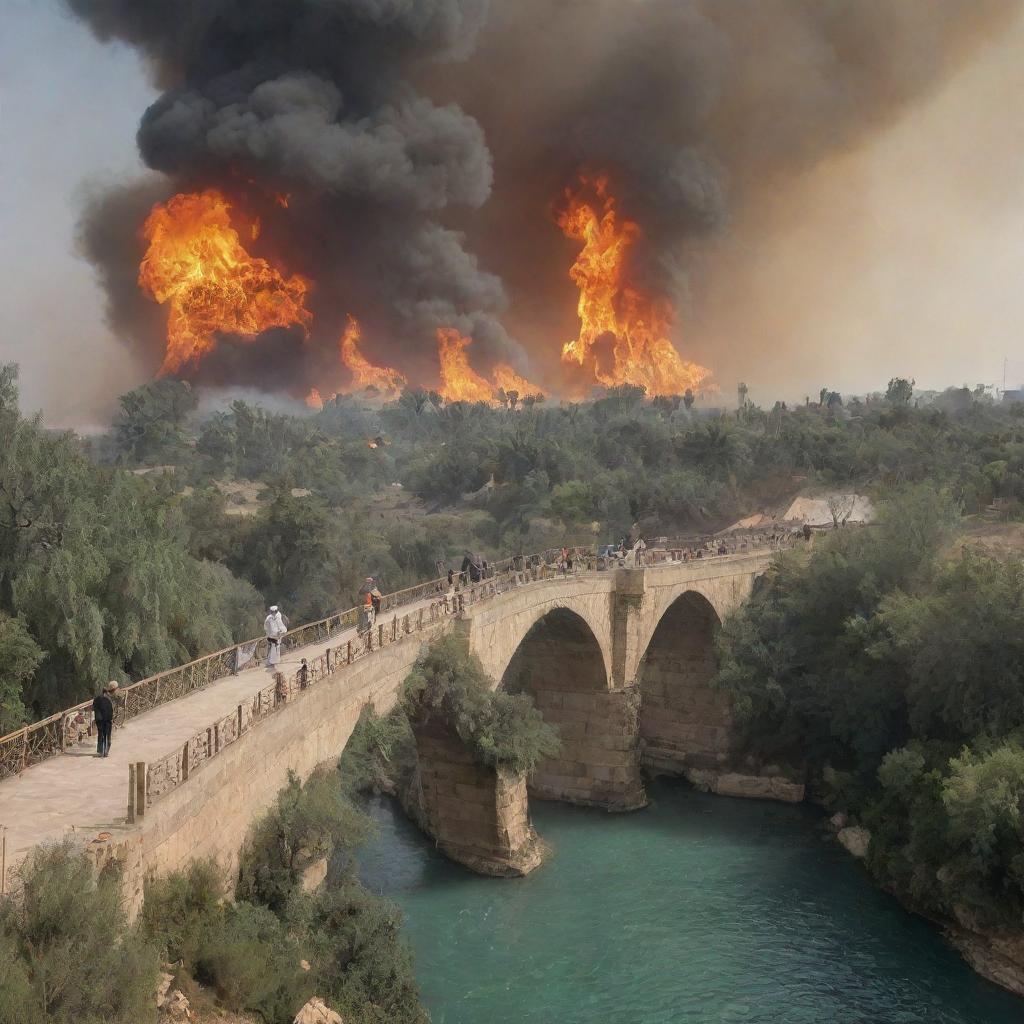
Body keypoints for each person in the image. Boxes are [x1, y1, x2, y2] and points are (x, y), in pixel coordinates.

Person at [92, 681, 117, 758]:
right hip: (106, 720)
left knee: (101, 734)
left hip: (99, 719)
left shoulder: (96, 699)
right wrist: (111, 719)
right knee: (107, 735)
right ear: (106, 692)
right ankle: (106, 752)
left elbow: (94, 708)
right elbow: (109, 710)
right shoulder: (108, 699)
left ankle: (101, 751)